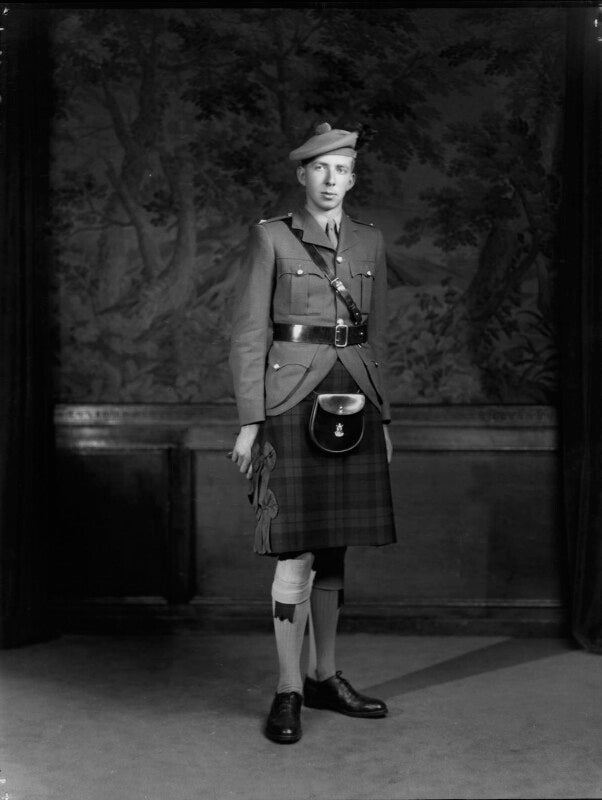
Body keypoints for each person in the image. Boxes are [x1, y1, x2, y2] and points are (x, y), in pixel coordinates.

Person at [228, 122, 396, 744]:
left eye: (342, 169)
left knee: (335, 545)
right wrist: (251, 421)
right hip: (290, 401)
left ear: (352, 178)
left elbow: (378, 336)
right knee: (293, 547)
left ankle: (325, 676)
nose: (331, 179)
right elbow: (249, 333)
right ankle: (288, 688)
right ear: (302, 174)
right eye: (320, 168)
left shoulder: (370, 241)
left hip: (356, 396)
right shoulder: (272, 236)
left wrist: (384, 416)